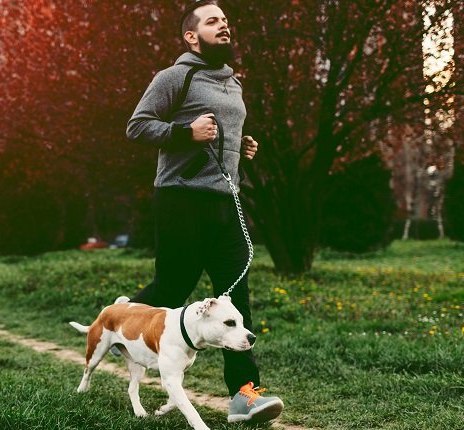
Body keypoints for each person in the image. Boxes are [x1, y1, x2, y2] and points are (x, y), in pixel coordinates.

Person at [124, 0, 284, 424]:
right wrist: (185, 132)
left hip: (224, 202)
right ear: (192, 37)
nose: (224, 26)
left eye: (226, 21)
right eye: (213, 22)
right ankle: (117, 322)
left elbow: (219, 142)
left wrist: (240, 150)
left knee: (237, 302)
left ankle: (246, 398)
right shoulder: (176, 76)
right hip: (180, 199)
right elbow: (137, 125)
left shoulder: (234, 83)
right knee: (172, 289)